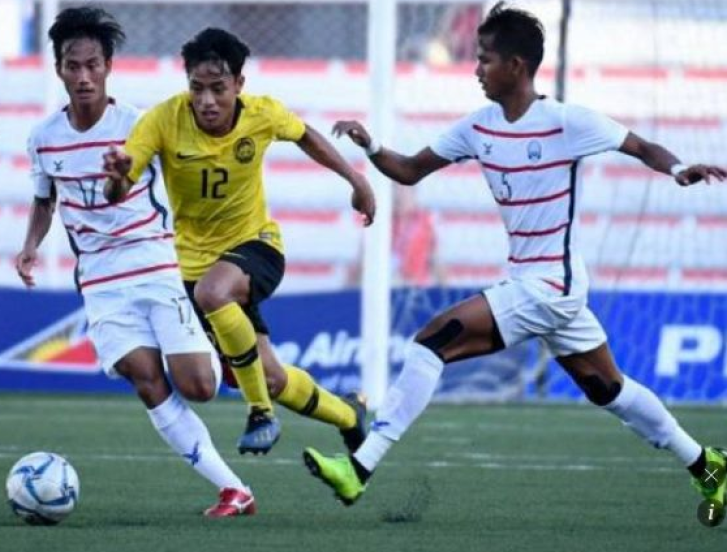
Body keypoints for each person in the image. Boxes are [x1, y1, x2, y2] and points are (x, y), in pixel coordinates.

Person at [302, 2, 727, 513]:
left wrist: (678, 169)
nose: (476, 69)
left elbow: (640, 146)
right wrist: (371, 147)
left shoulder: (565, 121)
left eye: (485, 58)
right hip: (542, 285)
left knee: (432, 342)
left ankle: (359, 467)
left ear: (516, 66)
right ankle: (706, 464)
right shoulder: (478, 127)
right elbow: (411, 170)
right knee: (607, 388)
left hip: (549, 287)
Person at [16, 7, 255, 517]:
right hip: (100, 281)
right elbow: (44, 199)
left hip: (153, 264)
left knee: (201, 387)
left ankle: (219, 345)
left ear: (108, 67)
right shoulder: (43, 138)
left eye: (93, 65)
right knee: (145, 378)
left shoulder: (139, 124)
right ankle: (233, 489)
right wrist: (31, 244)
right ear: (59, 69)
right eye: (73, 66)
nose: (83, 76)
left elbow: (185, 169)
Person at [103, 28, 376, 455]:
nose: (207, 100)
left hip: (257, 246)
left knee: (215, 294)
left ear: (238, 84)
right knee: (271, 377)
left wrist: (355, 179)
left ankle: (260, 413)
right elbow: (117, 189)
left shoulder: (262, 113)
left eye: (218, 88)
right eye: (197, 88)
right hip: (194, 267)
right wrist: (118, 178)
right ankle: (349, 415)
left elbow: (305, 134)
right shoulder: (162, 120)